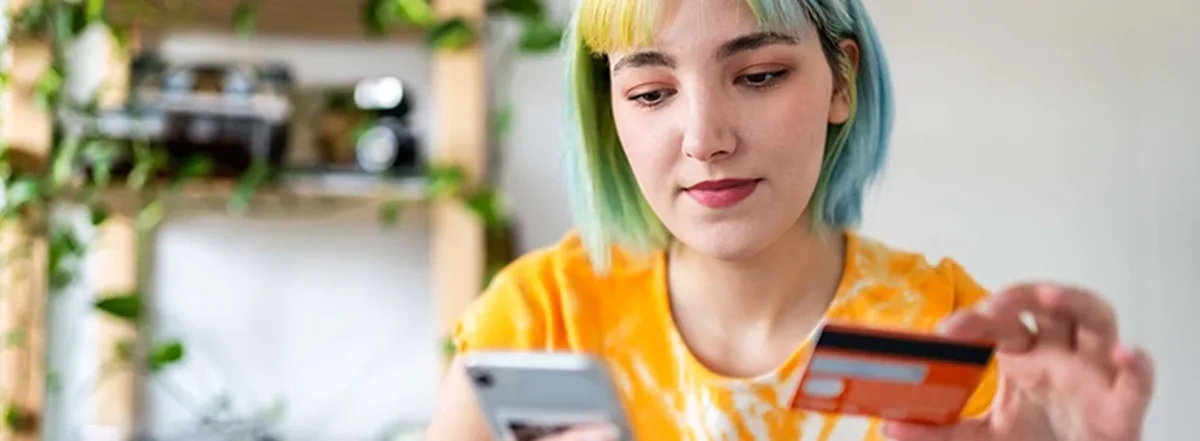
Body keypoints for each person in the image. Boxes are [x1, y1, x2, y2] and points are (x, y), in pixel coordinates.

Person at [424, 0, 1157, 439]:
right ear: (606, 111)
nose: (705, 138)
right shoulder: (538, 324)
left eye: (759, 76)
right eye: (650, 93)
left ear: (842, 79)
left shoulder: (949, 334)